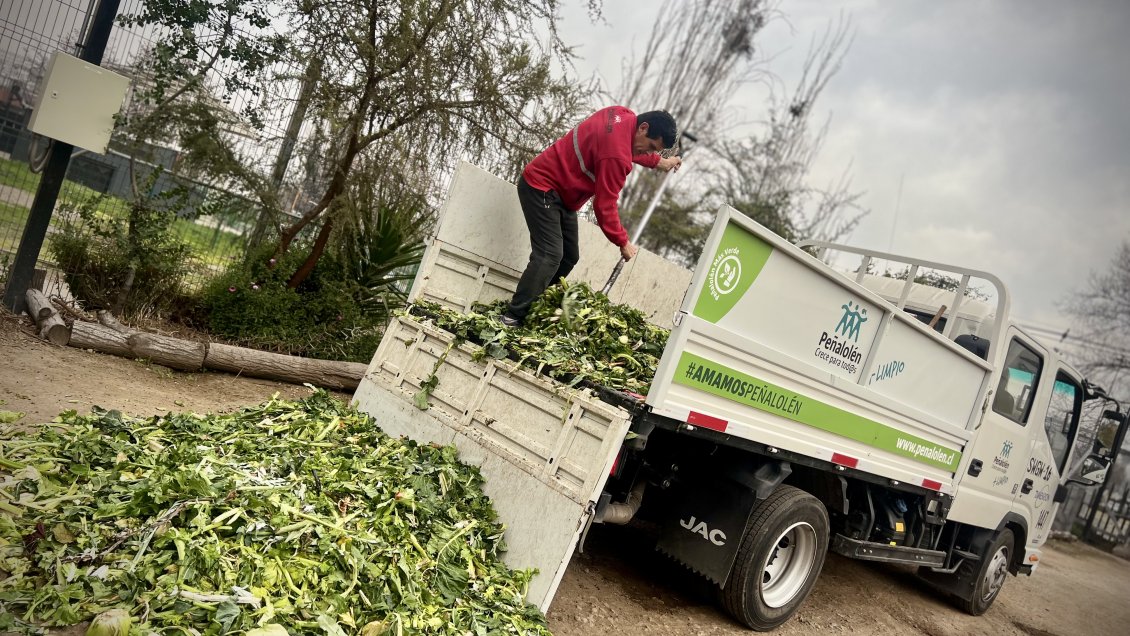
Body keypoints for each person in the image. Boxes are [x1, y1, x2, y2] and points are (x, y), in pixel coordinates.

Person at [501, 107, 681, 326]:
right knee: (549, 255)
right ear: (643, 128)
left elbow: (629, 147)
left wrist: (659, 162)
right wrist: (622, 241)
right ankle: (513, 317)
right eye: (652, 147)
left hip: (563, 195)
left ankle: (535, 306)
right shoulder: (616, 156)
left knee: (569, 257)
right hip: (542, 187)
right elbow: (604, 205)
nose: (647, 151)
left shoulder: (620, 114)